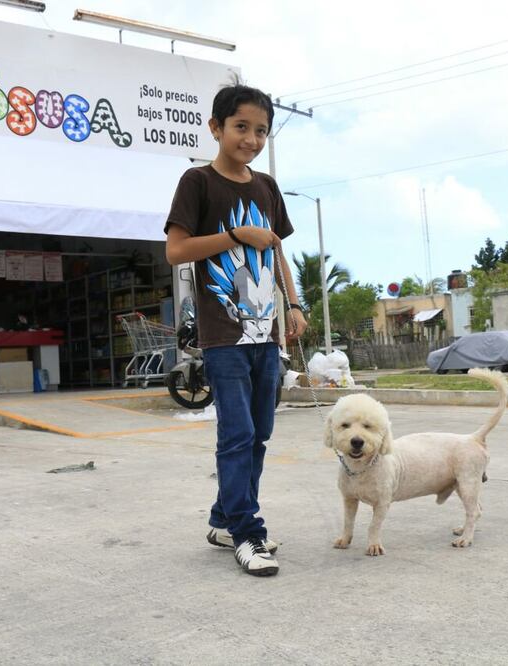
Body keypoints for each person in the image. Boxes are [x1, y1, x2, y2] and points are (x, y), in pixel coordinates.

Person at [164, 84, 308, 577]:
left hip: (267, 335)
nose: (251, 138)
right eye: (241, 127)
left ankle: (224, 519)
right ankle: (249, 533)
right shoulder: (197, 182)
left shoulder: (266, 187)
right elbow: (176, 251)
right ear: (216, 128)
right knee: (238, 433)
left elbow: (277, 250)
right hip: (224, 335)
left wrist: (293, 303)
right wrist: (232, 236)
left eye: (261, 130)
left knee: (261, 432)